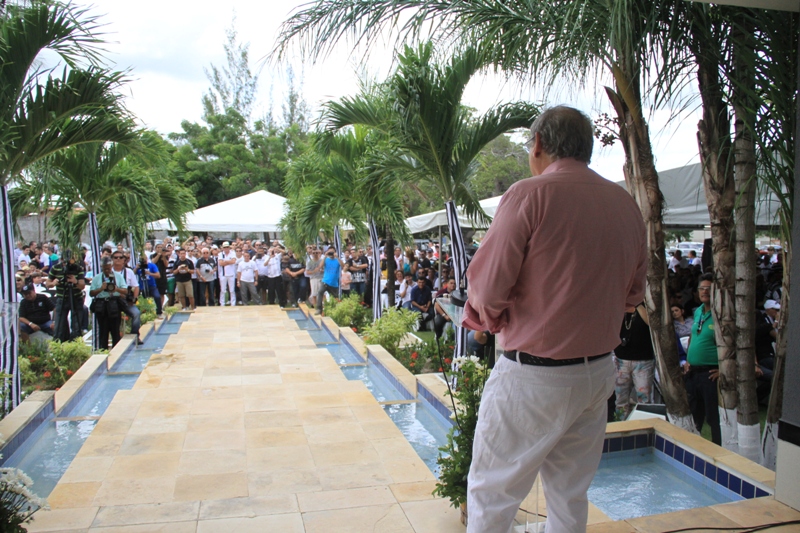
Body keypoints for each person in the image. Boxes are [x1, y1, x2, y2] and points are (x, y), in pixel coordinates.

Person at [460, 106, 647, 533]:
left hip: (532, 377)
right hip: (596, 372)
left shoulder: (529, 195)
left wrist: (485, 318)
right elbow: (632, 296)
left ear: (539, 144)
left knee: (492, 493)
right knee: (568, 496)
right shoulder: (625, 204)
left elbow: (487, 291)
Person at [684, 273, 721, 445]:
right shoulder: (698, 311)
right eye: (701, 288)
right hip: (693, 373)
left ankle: (718, 452)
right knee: (694, 416)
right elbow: (694, 336)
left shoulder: (721, 312)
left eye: (708, 288)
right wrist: (688, 360)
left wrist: (724, 370)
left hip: (710, 373)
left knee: (714, 418)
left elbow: (734, 343)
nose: (704, 292)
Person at [613, 303, 655, 419]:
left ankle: (643, 425)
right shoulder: (619, 306)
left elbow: (652, 323)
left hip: (643, 361)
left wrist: (637, 304)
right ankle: (620, 425)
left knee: (644, 399)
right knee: (620, 399)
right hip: (621, 360)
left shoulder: (646, 306)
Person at [89, 257, 128, 350]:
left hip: (114, 304)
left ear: (112, 266)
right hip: (102, 305)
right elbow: (91, 293)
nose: (107, 270)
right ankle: (103, 351)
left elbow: (125, 291)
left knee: (115, 331)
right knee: (103, 331)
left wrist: (116, 289)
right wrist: (101, 288)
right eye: (105, 268)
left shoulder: (118, 276)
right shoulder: (97, 278)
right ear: (101, 267)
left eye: (109, 268)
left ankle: (116, 351)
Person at [47, 250, 86, 341]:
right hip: (62, 298)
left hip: (76, 298)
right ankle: (60, 341)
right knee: (60, 324)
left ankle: (75, 341)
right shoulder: (55, 268)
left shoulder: (78, 268)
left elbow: (82, 286)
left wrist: (75, 281)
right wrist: (54, 282)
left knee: (76, 324)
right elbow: (47, 284)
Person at [111, 251, 141, 342]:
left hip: (126, 300)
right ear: (112, 259)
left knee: (136, 313)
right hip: (113, 300)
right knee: (114, 318)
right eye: (115, 257)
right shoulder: (109, 271)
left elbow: (136, 286)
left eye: (120, 257)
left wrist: (134, 298)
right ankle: (116, 339)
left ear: (124, 260)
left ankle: (135, 335)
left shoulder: (129, 272)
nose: (118, 259)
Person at [136, 253, 162, 318]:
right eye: (142, 259)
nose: (143, 261)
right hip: (142, 286)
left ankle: (159, 312)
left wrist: (150, 273)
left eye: (144, 259)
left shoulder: (152, 265)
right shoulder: (138, 266)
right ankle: (145, 312)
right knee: (142, 299)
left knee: (157, 297)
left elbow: (158, 275)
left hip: (152, 286)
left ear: (147, 259)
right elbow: (132, 273)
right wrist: (136, 268)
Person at [316, 248, 342, 313]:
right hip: (325, 281)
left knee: (334, 297)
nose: (331, 254)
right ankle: (319, 309)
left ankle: (334, 310)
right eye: (330, 252)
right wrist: (325, 256)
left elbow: (343, 266)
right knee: (320, 292)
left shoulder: (337, 260)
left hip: (334, 283)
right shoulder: (326, 259)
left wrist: (337, 257)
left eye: (332, 252)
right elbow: (320, 266)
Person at [217, 242, 238, 306]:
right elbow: (221, 263)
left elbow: (233, 261)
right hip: (223, 274)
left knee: (232, 290)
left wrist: (225, 261)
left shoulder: (233, 253)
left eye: (227, 247)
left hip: (231, 274)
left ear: (229, 247)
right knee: (223, 290)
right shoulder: (220, 254)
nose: (226, 248)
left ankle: (233, 303)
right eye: (224, 247)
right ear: (223, 248)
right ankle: (222, 303)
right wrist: (229, 262)